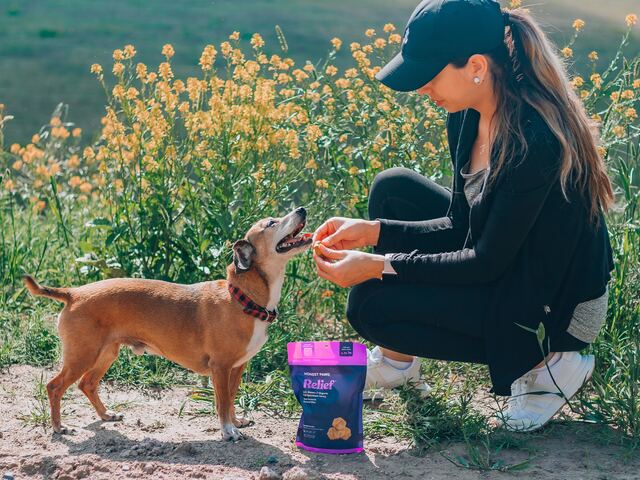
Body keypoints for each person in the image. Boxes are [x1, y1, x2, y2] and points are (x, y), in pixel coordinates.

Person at [311, 0, 615, 432]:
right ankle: (399, 366)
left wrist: (380, 265)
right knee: (392, 190)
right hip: (511, 261)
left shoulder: (534, 140)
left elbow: (485, 260)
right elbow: (460, 225)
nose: (421, 89)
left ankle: (548, 366)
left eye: (430, 75)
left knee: (372, 306)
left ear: (476, 65)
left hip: (556, 305)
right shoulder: (468, 115)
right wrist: (374, 230)